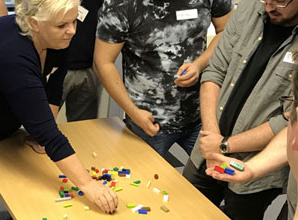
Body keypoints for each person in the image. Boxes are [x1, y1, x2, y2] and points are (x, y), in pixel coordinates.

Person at [0, 0, 118, 219]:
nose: (72, 30)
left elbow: (53, 90)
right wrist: (87, 184)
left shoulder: (58, 41)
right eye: (61, 25)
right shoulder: (11, 51)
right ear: (34, 23)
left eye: (74, 21)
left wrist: (40, 138)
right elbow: (47, 132)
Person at [182, 0, 298, 219]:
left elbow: (289, 121)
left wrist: (226, 146)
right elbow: (214, 72)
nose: (269, 7)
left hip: (257, 169)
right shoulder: (249, 9)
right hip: (208, 149)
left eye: (280, 1)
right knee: (183, 209)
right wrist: (213, 139)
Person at [94, 0, 234, 159]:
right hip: (147, 119)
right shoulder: (120, 4)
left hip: (202, 115)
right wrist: (134, 112)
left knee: (210, 179)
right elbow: (103, 62)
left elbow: (227, 30)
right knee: (146, 179)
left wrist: (199, 65)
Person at [0, 0, 104, 123]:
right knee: (29, 124)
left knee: (82, 131)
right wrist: (8, 34)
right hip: (42, 58)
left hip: (87, 62)